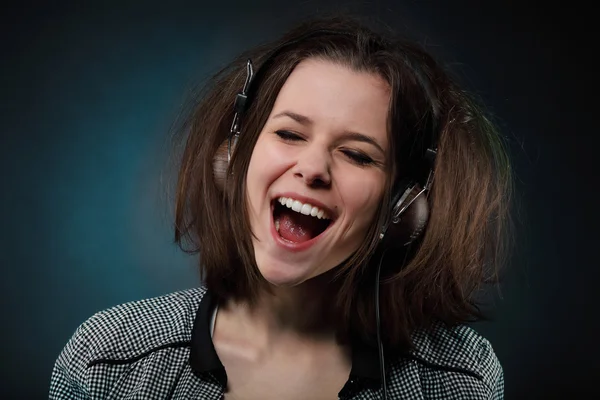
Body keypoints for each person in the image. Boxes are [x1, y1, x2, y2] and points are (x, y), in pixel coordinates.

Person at [49, 15, 512, 400]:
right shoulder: (107, 361)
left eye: (357, 154)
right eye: (289, 133)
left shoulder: (457, 380)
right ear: (234, 158)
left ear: (403, 205)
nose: (313, 168)